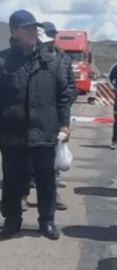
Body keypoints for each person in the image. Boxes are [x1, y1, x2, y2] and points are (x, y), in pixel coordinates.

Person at [0, 10, 71, 240]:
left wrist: (64, 123)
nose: (33, 31)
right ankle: (11, 221)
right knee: (12, 180)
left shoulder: (51, 60)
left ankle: (47, 222)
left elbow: (64, 94)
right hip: (12, 134)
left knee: (46, 180)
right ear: (14, 32)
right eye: (27, 28)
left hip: (44, 131)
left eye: (34, 28)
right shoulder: (3, 61)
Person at [40, 23, 78, 211]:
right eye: (47, 35)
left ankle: (53, 195)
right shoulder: (34, 57)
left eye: (53, 35)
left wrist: (63, 107)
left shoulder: (64, 58)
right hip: (36, 115)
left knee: (54, 158)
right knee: (30, 157)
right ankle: (22, 195)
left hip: (56, 115)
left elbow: (71, 86)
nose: (50, 39)